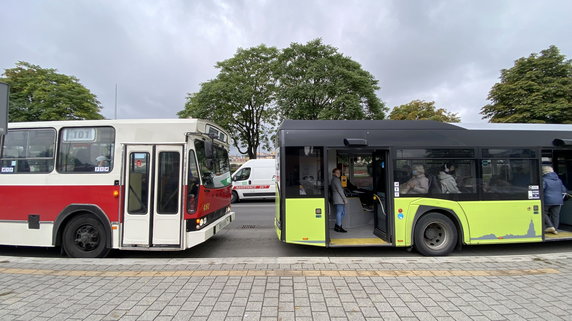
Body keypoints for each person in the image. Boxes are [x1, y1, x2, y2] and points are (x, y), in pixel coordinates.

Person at [542, 165, 567, 234]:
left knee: (542, 212)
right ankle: (555, 229)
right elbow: (564, 190)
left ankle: (550, 226)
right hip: (559, 201)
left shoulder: (544, 179)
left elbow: (541, 190)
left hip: (547, 200)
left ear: (543, 172)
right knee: (555, 215)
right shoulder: (558, 180)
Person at [330, 168, 348, 233]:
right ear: (333, 173)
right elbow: (340, 190)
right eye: (337, 172)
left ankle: (337, 226)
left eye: (339, 172)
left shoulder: (335, 180)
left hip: (338, 198)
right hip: (339, 199)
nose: (338, 174)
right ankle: (339, 227)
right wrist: (345, 199)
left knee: (342, 212)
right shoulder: (336, 180)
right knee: (340, 212)